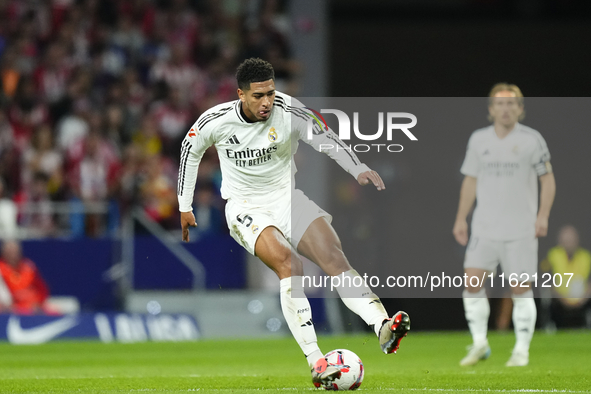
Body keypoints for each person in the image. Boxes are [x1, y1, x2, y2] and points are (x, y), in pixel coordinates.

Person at [177, 58, 410, 387]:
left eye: (270, 93)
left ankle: (383, 327)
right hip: (246, 207)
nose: (266, 102)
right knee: (290, 265)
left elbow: (326, 137)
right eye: (258, 96)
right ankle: (317, 361)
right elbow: (190, 150)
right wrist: (185, 206)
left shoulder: (290, 111)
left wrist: (357, 168)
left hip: (288, 199)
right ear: (240, 94)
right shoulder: (216, 120)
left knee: (335, 258)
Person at [453, 83, 556, 367]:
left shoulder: (532, 140)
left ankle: (521, 350)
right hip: (484, 227)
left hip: (520, 228)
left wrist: (543, 215)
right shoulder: (478, 140)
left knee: (521, 289)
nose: (506, 108)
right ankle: (479, 343)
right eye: (500, 103)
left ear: (520, 109)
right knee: (471, 283)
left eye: (512, 103)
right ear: (491, 109)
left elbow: (547, 179)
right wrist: (462, 217)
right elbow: (470, 180)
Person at [541, 225, 591, 328]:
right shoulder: (553, 255)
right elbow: (547, 281)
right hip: (559, 300)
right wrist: (563, 299)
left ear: (578, 240)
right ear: (560, 241)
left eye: (571, 240)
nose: (569, 243)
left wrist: (583, 298)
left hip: (582, 299)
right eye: (566, 240)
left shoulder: (586, 257)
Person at [0, 240, 50, 314]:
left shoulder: (29, 266)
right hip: (12, 308)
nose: (13, 254)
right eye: (9, 251)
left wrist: (38, 302)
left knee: (56, 312)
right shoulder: (1, 269)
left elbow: (42, 288)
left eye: (15, 251)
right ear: (4, 252)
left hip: (35, 305)